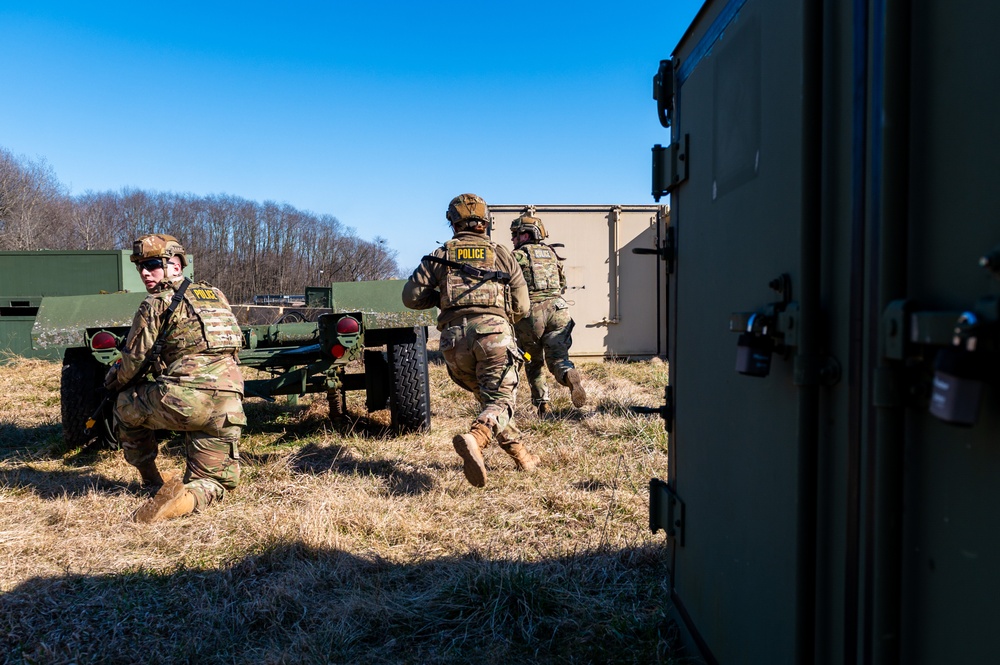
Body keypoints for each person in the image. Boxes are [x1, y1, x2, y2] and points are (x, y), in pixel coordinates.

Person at [104, 233, 246, 523]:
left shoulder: (155, 303)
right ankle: (180, 502)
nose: (144, 272)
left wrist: (113, 382)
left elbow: (132, 363)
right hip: (229, 405)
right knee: (213, 482)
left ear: (176, 265)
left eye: (153, 264)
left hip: (184, 401)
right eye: (140, 266)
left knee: (123, 403)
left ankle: (151, 480)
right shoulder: (216, 295)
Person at [402, 193, 537, 487]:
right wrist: (501, 318)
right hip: (493, 338)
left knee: (491, 403)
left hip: (453, 345)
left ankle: (523, 458)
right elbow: (523, 307)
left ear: (453, 222)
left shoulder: (439, 255)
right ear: (485, 222)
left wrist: (444, 300)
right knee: (501, 400)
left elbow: (410, 298)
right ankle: (475, 438)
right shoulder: (502, 253)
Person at [509, 213, 587, 416]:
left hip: (530, 317)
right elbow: (562, 284)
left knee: (532, 361)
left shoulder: (517, 256)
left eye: (515, 235)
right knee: (558, 358)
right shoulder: (552, 255)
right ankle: (567, 373)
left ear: (525, 235)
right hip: (559, 311)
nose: (512, 239)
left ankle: (543, 405)